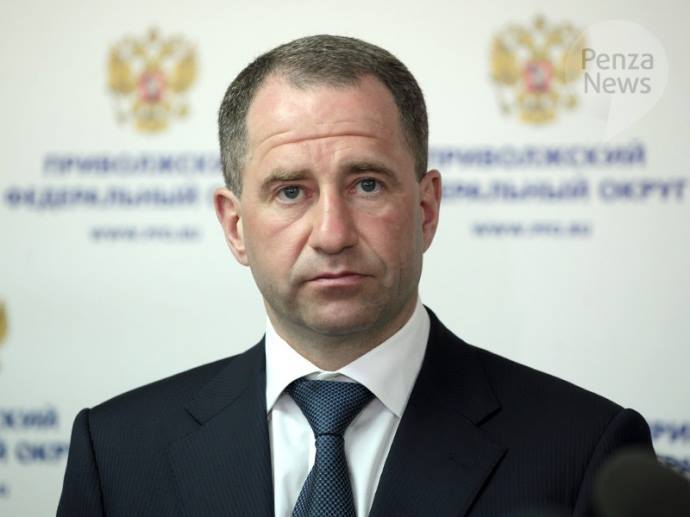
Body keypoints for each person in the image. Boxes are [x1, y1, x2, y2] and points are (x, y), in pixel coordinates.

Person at [58, 35, 653, 517]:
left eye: (367, 184)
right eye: (291, 191)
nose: (332, 233)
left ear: (426, 210)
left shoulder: (585, 450)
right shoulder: (115, 452)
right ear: (235, 227)